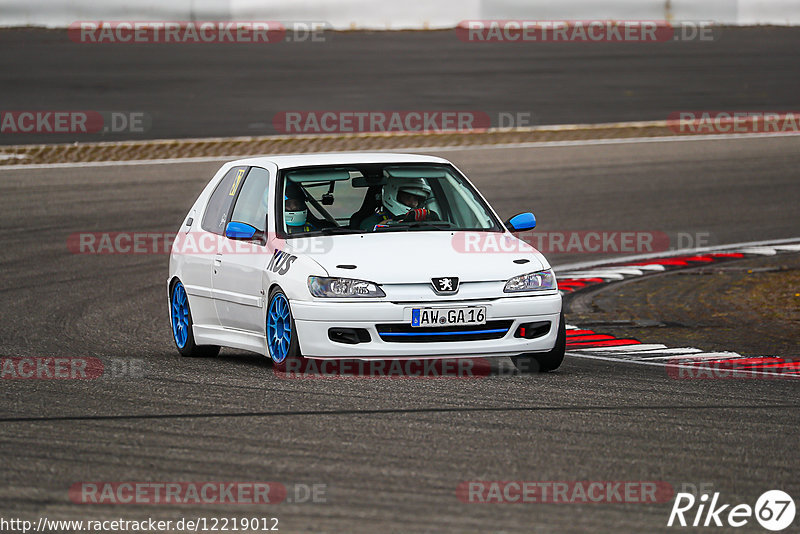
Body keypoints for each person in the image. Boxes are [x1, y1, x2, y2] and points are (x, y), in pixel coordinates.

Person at [359, 177, 437, 230]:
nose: (414, 204)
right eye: (408, 197)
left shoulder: (424, 222)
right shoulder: (369, 223)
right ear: (391, 194)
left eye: (417, 199)